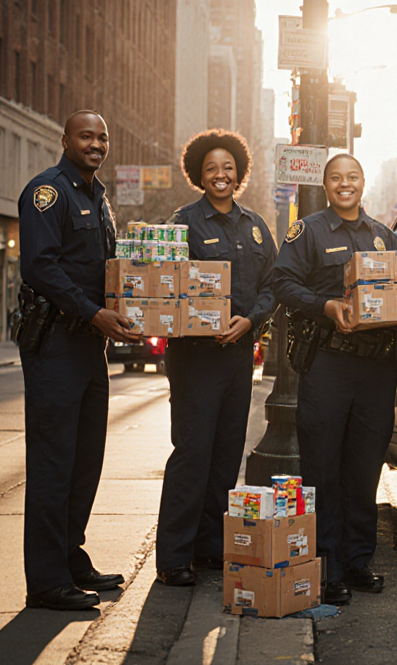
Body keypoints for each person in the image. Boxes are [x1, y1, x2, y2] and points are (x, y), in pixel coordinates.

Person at [17, 110, 141, 611]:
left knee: (85, 459)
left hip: (91, 344)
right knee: (53, 463)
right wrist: (93, 313)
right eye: (86, 136)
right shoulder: (48, 192)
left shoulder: (98, 196)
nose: (96, 144)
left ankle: (70, 556)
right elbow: (40, 267)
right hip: (56, 344)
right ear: (64, 139)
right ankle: (46, 581)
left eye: (103, 137)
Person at [271, 153, 397, 606]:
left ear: (363, 182)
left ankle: (359, 562)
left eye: (352, 177)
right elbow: (282, 284)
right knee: (323, 467)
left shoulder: (385, 237)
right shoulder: (307, 232)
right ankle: (328, 569)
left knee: (364, 467)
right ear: (325, 185)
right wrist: (326, 307)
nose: (345, 185)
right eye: (336, 178)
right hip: (328, 363)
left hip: (375, 368)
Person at [154, 130, 277, 587]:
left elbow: (273, 284)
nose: (220, 175)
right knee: (192, 453)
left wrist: (250, 320)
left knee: (226, 456)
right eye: (211, 169)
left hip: (239, 355)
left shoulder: (256, 226)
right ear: (198, 175)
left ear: (239, 173)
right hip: (195, 359)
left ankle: (208, 548)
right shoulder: (183, 223)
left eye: (228, 168)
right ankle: (173, 557)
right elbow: (165, 285)